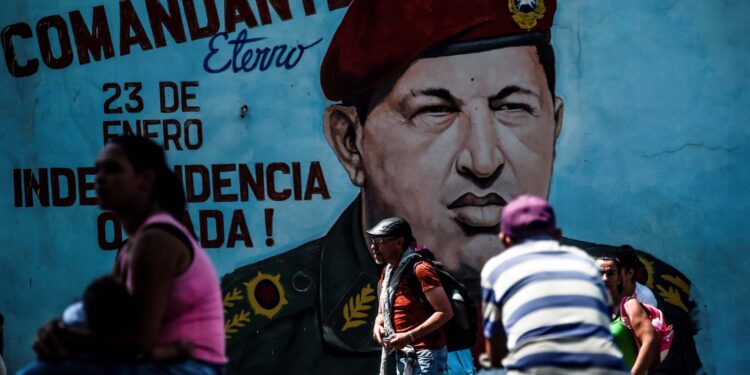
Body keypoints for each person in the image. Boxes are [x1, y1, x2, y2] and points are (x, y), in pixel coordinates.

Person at [221, 0, 700, 373]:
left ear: (553, 126)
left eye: (513, 107)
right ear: (351, 143)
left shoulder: (638, 298)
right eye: (436, 111)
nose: (485, 160)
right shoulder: (257, 334)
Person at [19, 135, 226, 374]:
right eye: (97, 170)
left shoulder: (156, 241)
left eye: (112, 169)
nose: (100, 179)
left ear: (145, 181)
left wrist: (69, 340)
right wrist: (59, 332)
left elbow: (138, 343)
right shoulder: (132, 248)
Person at [480, 195, 627, 374]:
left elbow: (496, 351)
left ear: (504, 240)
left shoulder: (497, 269)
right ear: (557, 235)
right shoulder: (585, 263)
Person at [368, 217, 452, 375]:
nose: (373, 246)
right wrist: (377, 325)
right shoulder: (388, 273)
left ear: (399, 243)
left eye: (379, 240)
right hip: (403, 354)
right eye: (372, 240)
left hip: (426, 356)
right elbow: (382, 313)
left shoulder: (421, 270)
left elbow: (445, 312)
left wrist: (409, 336)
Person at [597, 256, 659, 375]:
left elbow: (650, 341)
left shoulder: (630, 306)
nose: (605, 278)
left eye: (611, 273)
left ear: (619, 279)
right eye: (600, 273)